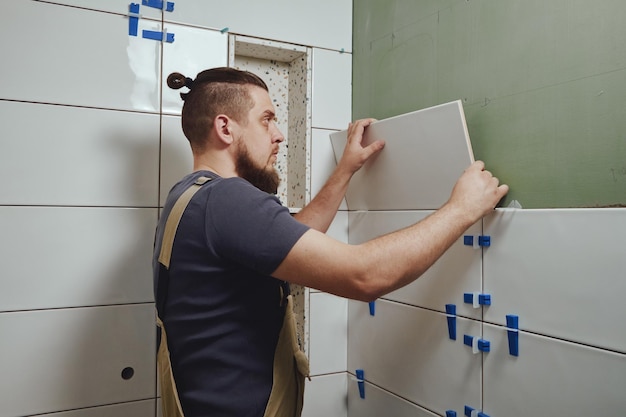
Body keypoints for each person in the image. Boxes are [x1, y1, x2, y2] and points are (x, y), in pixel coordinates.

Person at [153, 67, 508, 417]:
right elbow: (364, 276)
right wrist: (462, 208)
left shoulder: (189, 196)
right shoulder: (229, 200)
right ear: (225, 127)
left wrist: (345, 171)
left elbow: (288, 240)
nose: (278, 135)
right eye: (266, 120)